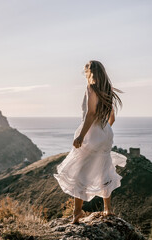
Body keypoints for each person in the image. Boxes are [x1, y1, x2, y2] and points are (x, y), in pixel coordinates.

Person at [53, 60, 127, 224]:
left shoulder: (91, 88)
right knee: (104, 169)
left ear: (89, 72)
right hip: (106, 133)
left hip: (92, 134)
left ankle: (77, 213)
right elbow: (112, 118)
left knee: (80, 172)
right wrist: (103, 130)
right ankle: (107, 209)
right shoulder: (107, 89)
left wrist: (81, 136)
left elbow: (91, 113)